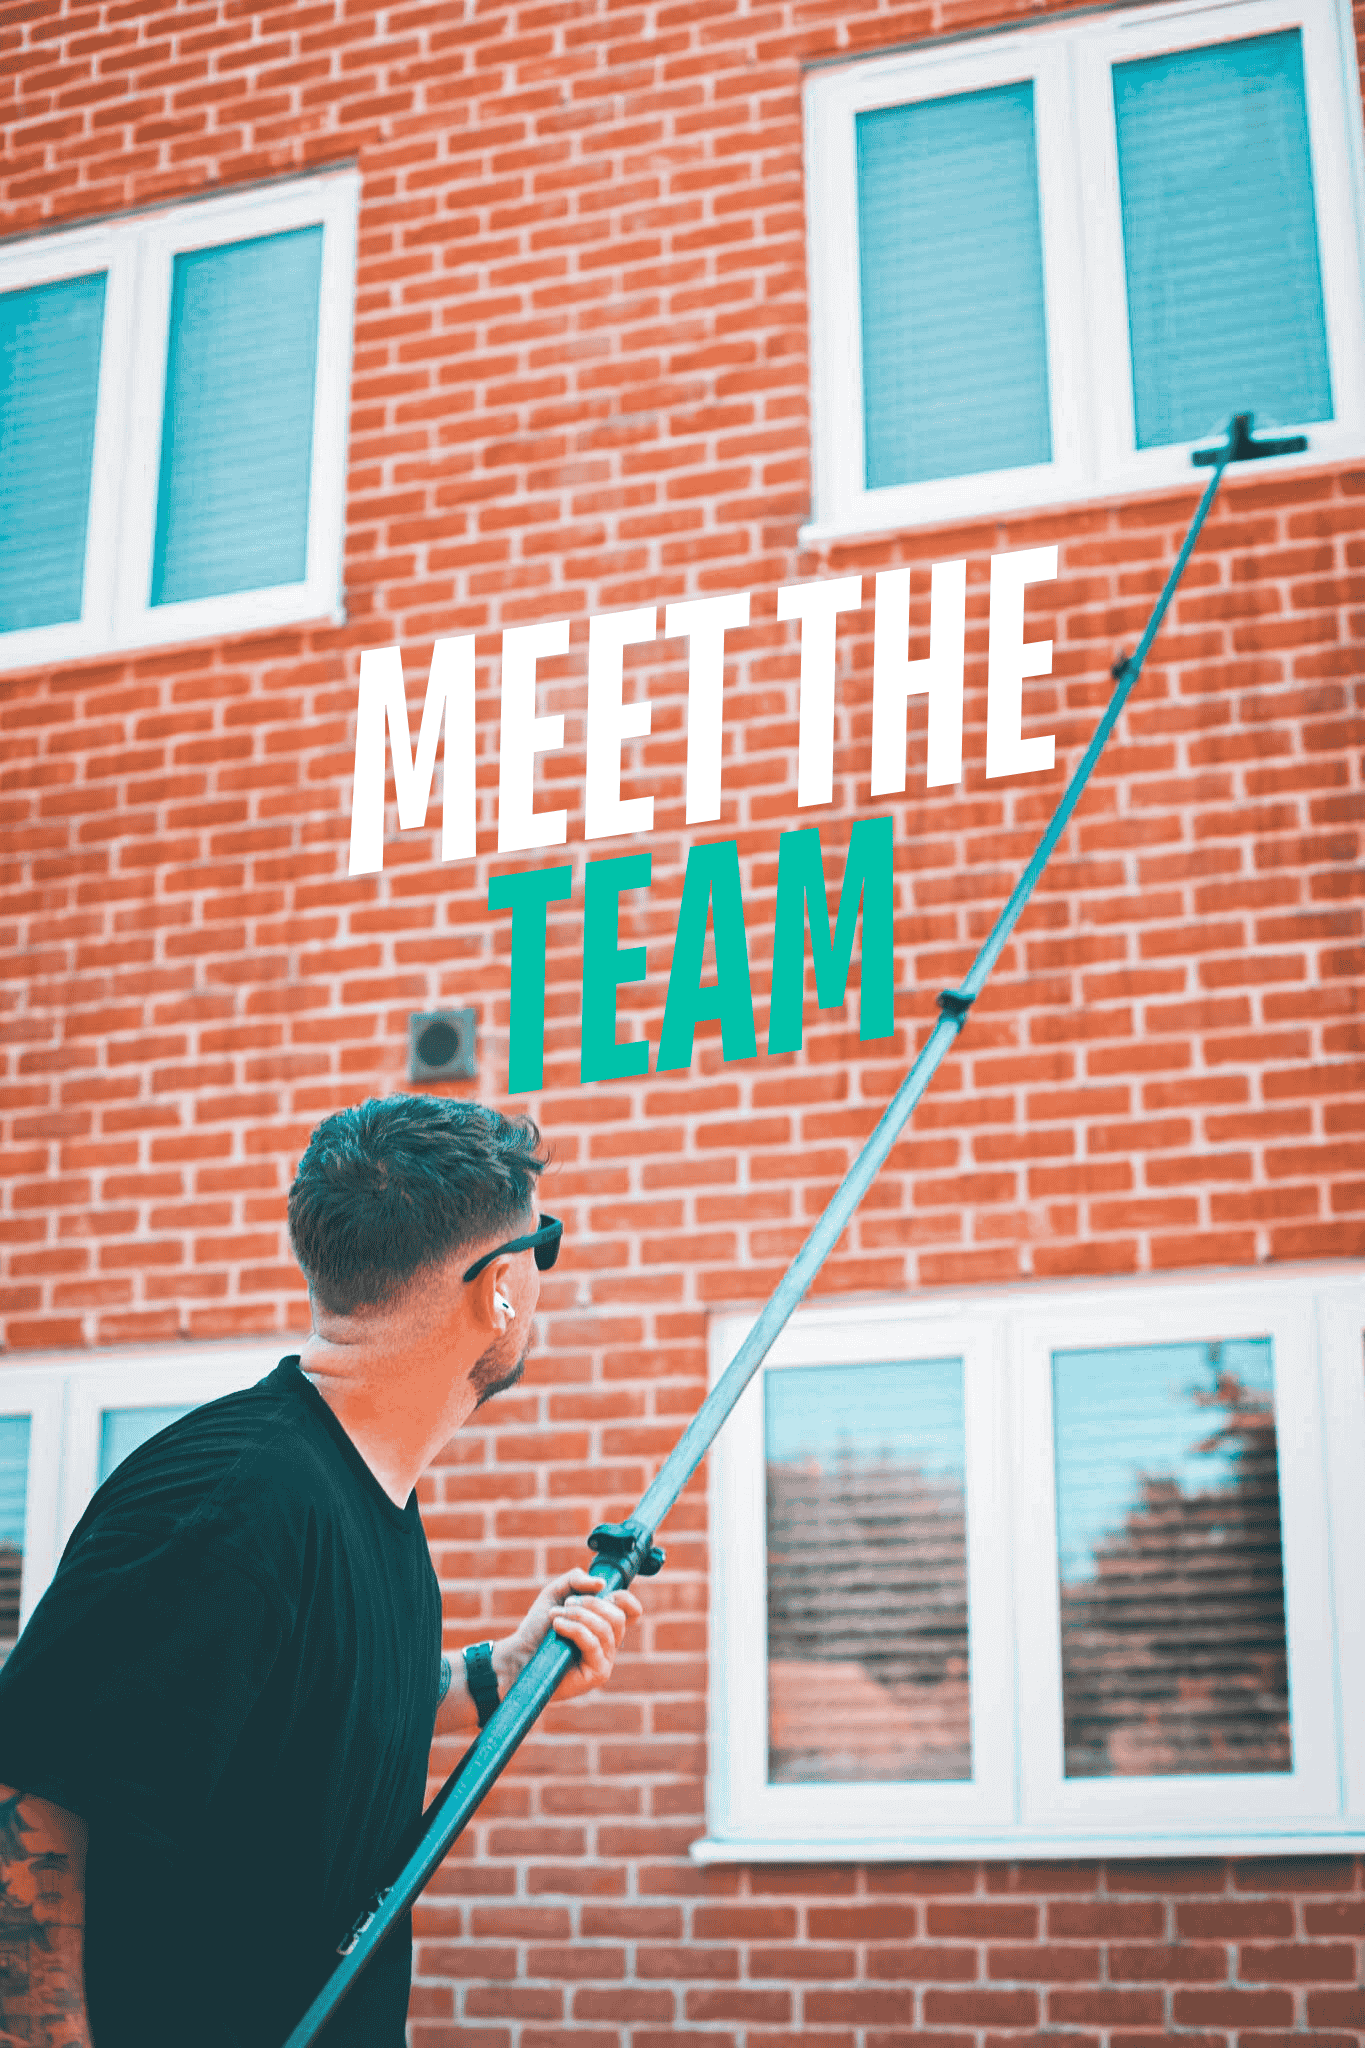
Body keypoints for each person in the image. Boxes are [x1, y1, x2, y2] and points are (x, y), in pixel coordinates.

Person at [0, 1095, 641, 2047]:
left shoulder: (353, 1492)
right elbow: (30, 1793)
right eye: (540, 1248)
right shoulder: (231, 1501)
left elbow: (300, 1707)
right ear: (498, 1284)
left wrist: (495, 1673)